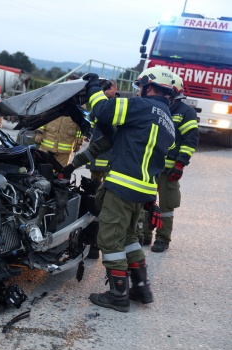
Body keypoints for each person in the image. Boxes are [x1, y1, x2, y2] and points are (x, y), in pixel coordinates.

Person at [62, 66, 177, 312]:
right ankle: (141, 288)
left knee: (110, 240)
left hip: (123, 186)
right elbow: (110, 141)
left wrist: (93, 86)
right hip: (143, 191)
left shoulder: (142, 107)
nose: (138, 91)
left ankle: (118, 295)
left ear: (150, 85)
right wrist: (72, 166)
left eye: (141, 86)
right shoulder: (167, 121)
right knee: (129, 238)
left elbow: (103, 110)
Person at [141, 74, 199, 253]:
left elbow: (190, 140)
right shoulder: (156, 107)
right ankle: (145, 234)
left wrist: (180, 164)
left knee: (166, 205)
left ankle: (162, 239)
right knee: (145, 201)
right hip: (150, 166)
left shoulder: (185, 112)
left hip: (170, 168)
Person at [82, 78, 119, 260]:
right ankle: (93, 243)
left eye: (107, 88)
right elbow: (90, 120)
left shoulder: (118, 106)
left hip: (109, 158)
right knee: (93, 195)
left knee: (106, 200)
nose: (105, 91)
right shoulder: (101, 106)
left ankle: (99, 244)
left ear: (115, 89)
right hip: (97, 156)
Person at [34, 74, 84, 167]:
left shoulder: (80, 104)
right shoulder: (52, 98)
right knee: (41, 169)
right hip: (47, 143)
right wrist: (39, 132)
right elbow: (42, 116)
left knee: (60, 174)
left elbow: (81, 126)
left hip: (65, 147)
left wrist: (79, 141)